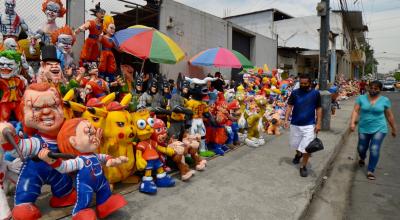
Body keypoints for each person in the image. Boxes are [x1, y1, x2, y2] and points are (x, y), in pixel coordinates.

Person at [350, 80, 397, 180]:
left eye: (376, 89)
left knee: (374, 148)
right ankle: (362, 158)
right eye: (371, 88)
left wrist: (393, 128)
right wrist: (352, 123)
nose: (372, 90)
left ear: (380, 89)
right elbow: (355, 110)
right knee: (361, 148)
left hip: (380, 128)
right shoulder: (361, 98)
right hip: (364, 127)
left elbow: (389, 115)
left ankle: (370, 170)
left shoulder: (385, 100)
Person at [284, 73, 322, 177]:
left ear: (310, 83)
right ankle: (298, 154)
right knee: (296, 144)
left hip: (309, 125)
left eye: (305, 83)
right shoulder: (295, 93)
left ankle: (303, 166)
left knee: (306, 147)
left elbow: (318, 108)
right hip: (295, 124)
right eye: (301, 83)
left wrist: (318, 123)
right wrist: (286, 119)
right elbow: (289, 106)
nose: (303, 85)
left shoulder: (315, 94)